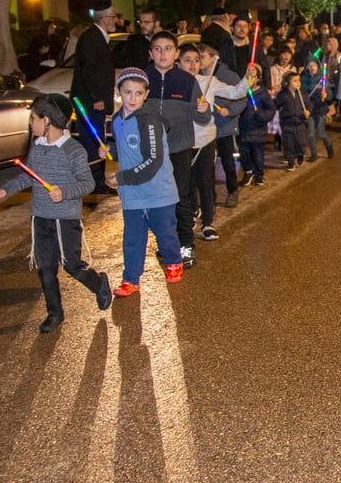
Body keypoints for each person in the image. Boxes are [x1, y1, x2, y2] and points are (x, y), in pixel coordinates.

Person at [0, 94, 112, 332]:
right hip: (40, 217)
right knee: (45, 268)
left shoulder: (73, 150)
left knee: (72, 266)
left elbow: (88, 184)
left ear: (48, 121)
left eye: (34, 118)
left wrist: (63, 192)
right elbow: (28, 175)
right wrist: (5, 191)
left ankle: (99, 284)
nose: (31, 123)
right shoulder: (37, 147)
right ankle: (55, 313)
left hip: (65, 218)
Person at [102, 68, 184, 295]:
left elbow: (153, 159)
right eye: (127, 92)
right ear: (118, 92)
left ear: (146, 94)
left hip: (158, 191)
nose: (132, 98)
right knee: (133, 238)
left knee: (165, 232)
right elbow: (126, 149)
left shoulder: (148, 121)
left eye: (138, 93)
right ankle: (131, 279)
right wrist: (110, 151)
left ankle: (173, 261)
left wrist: (122, 177)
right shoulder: (117, 119)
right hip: (132, 193)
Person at [145, 32, 206, 268]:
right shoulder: (142, 79)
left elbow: (202, 117)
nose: (163, 54)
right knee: (158, 199)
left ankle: (186, 243)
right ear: (150, 53)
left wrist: (203, 110)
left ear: (176, 54)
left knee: (180, 196)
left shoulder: (187, 81)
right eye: (157, 49)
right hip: (151, 150)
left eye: (168, 48)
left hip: (179, 148)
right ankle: (166, 242)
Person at [179, 44, 250, 241]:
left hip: (206, 139)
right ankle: (191, 215)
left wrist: (248, 77)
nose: (193, 64)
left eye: (196, 60)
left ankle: (208, 223)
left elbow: (236, 92)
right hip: (182, 141)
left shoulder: (208, 82)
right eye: (187, 60)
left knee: (205, 181)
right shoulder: (175, 83)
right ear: (178, 61)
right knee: (186, 182)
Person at [69, 0, 117, 194]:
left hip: (93, 100)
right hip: (90, 102)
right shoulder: (91, 38)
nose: (116, 20)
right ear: (105, 19)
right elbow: (89, 72)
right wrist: (97, 97)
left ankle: (97, 180)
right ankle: (93, 183)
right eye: (114, 17)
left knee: (96, 140)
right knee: (93, 141)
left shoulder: (98, 37)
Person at [238, 71, 277, 186]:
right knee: (243, 152)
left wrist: (261, 116)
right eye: (247, 77)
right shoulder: (241, 92)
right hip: (244, 129)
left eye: (253, 77)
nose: (250, 79)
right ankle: (248, 171)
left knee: (258, 153)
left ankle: (259, 174)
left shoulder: (263, 93)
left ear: (258, 78)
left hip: (257, 129)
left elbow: (271, 109)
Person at [275, 71, 310, 170]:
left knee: (300, 141)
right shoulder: (283, 95)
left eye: (299, 80)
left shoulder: (303, 94)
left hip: (300, 122)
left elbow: (309, 105)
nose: (298, 83)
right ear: (287, 83)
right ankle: (290, 161)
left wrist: (308, 111)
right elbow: (276, 105)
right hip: (287, 122)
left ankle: (300, 153)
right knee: (288, 142)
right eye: (294, 81)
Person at [302, 58, 334, 161]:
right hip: (310, 109)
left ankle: (329, 147)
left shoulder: (323, 79)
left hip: (320, 109)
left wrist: (326, 95)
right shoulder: (303, 80)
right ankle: (314, 154)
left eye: (314, 65)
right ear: (307, 67)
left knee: (321, 133)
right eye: (310, 65)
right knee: (311, 134)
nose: (312, 67)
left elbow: (329, 95)